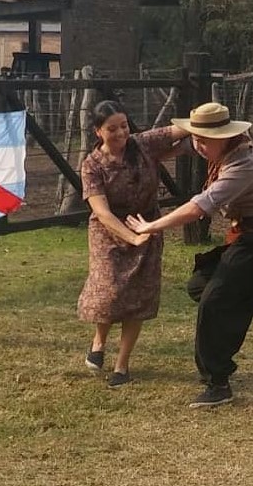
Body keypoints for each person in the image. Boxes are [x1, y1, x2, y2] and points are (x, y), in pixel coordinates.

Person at [126, 102, 253, 409]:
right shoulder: (217, 144)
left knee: (214, 303)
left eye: (205, 140)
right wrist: (150, 155)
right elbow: (181, 145)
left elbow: (197, 207)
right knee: (198, 285)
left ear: (225, 136)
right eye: (197, 138)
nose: (199, 146)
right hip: (245, 236)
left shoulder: (243, 165)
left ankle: (217, 382)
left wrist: (151, 226)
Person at [77, 100, 190, 387]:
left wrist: (210, 123)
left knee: (138, 297)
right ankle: (99, 341)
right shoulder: (91, 165)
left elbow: (179, 130)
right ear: (98, 132)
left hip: (147, 224)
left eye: (124, 126)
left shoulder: (142, 144)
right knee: (110, 293)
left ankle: (122, 365)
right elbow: (101, 212)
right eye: (112, 129)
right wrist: (132, 237)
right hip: (109, 232)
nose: (120, 133)